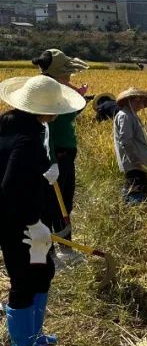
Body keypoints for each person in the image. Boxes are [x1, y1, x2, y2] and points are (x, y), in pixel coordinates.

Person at [0, 74, 86, 346]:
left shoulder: (12, 125)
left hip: (19, 218)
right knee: (24, 278)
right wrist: (33, 223)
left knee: (43, 271)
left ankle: (34, 334)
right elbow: (12, 186)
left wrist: (42, 171)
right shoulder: (27, 139)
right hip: (18, 222)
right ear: (45, 110)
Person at [31, 49, 88, 240]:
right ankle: (53, 248)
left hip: (64, 156)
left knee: (64, 203)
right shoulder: (47, 95)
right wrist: (52, 160)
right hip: (56, 157)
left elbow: (65, 119)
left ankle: (63, 245)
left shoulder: (59, 92)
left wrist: (79, 100)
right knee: (54, 204)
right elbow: (46, 131)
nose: (69, 76)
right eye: (66, 72)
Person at [112, 87, 147, 204]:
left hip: (138, 163)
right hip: (134, 163)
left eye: (141, 101)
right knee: (134, 192)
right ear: (129, 101)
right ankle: (130, 213)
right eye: (138, 101)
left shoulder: (132, 116)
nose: (141, 104)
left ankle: (131, 211)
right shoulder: (125, 116)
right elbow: (125, 140)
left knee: (139, 189)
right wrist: (134, 158)